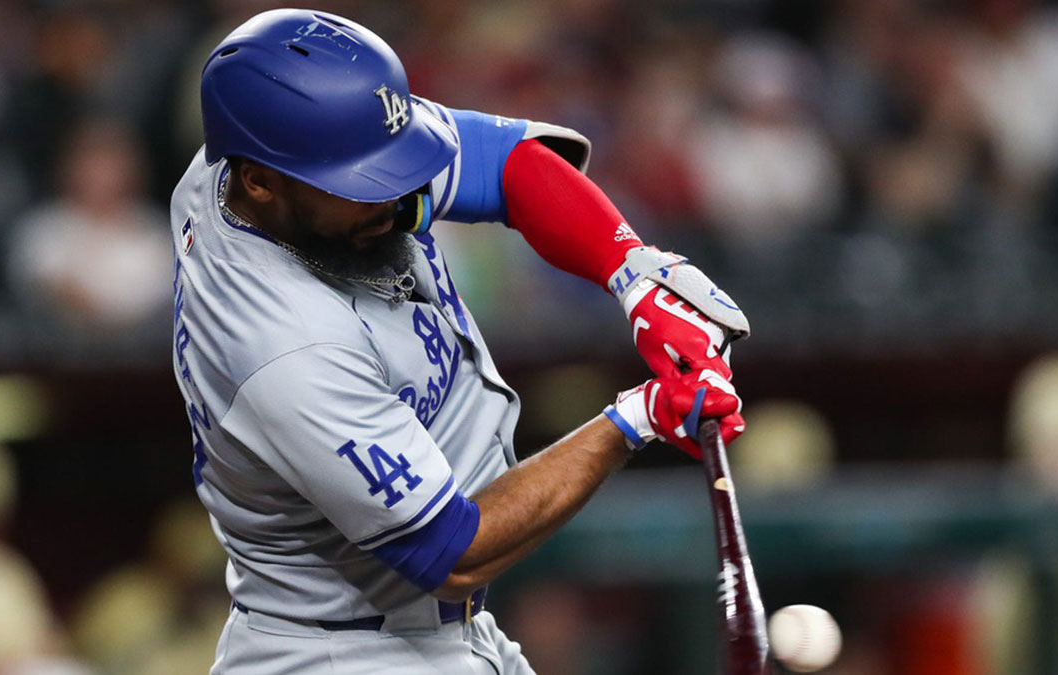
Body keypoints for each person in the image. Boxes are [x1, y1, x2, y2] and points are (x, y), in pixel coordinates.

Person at [169, 9, 748, 674]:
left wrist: (635, 276)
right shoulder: (281, 347)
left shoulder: (273, 164)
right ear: (259, 182)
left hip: (433, 634)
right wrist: (635, 418)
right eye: (361, 181)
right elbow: (451, 551)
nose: (393, 195)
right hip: (342, 651)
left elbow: (503, 162)